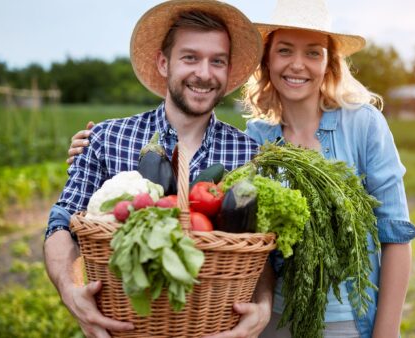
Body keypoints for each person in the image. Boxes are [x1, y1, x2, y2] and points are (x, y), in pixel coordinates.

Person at [68, 0, 415, 337]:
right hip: (268, 318)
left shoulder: (362, 125)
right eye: (285, 50)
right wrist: (89, 148)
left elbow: (395, 235)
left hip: (345, 321)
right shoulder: (255, 142)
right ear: (267, 60)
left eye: (313, 52)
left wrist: (387, 332)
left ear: (328, 63)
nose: (298, 64)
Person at [44, 2, 275, 338]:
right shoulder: (107, 138)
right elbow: (61, 222)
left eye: (217, 61)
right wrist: (69, 291)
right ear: (164, 62)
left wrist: (264, 305)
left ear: (227, 72)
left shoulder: (249, 154)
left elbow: (262, 251)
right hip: (126, 327)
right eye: (190, 57)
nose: (204, 73)